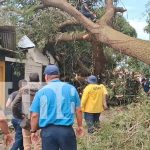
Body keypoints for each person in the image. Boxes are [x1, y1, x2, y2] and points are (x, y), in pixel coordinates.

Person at [30, 64, 83, 150]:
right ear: (58, 76)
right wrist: (80, 126)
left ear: (46, 76)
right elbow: (79, 110)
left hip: (48, 133)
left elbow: (34, 115)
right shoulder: (71, 89)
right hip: (67, 131)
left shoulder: (41, 92)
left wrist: (33, 131)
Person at [12, 73, 41, 150]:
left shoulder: (24, 89)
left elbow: (14, 105)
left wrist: (19, 115)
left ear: (29, 80)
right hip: (39, 120)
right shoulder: (42, 89)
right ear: (38, 80)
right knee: (37, 143)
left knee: (27, 145)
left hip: (26, 120)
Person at [6, 79, 27, 150]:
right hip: (21, 119)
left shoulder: (14, 93)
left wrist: (14, 110)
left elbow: (7, 105)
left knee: (20, 137)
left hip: (14, 118)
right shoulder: (26, 94)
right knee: (19, 138)